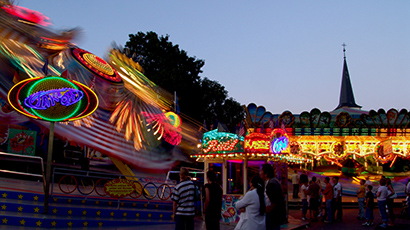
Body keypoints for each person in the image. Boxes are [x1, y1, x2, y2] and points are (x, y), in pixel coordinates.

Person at [260, 164, 286, 230]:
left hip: (273, 215)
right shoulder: (272, 182)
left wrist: (269, 209)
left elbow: (275, 200)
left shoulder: (272, 183)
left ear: (266, 174)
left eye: (261, 171)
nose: (260, 173)